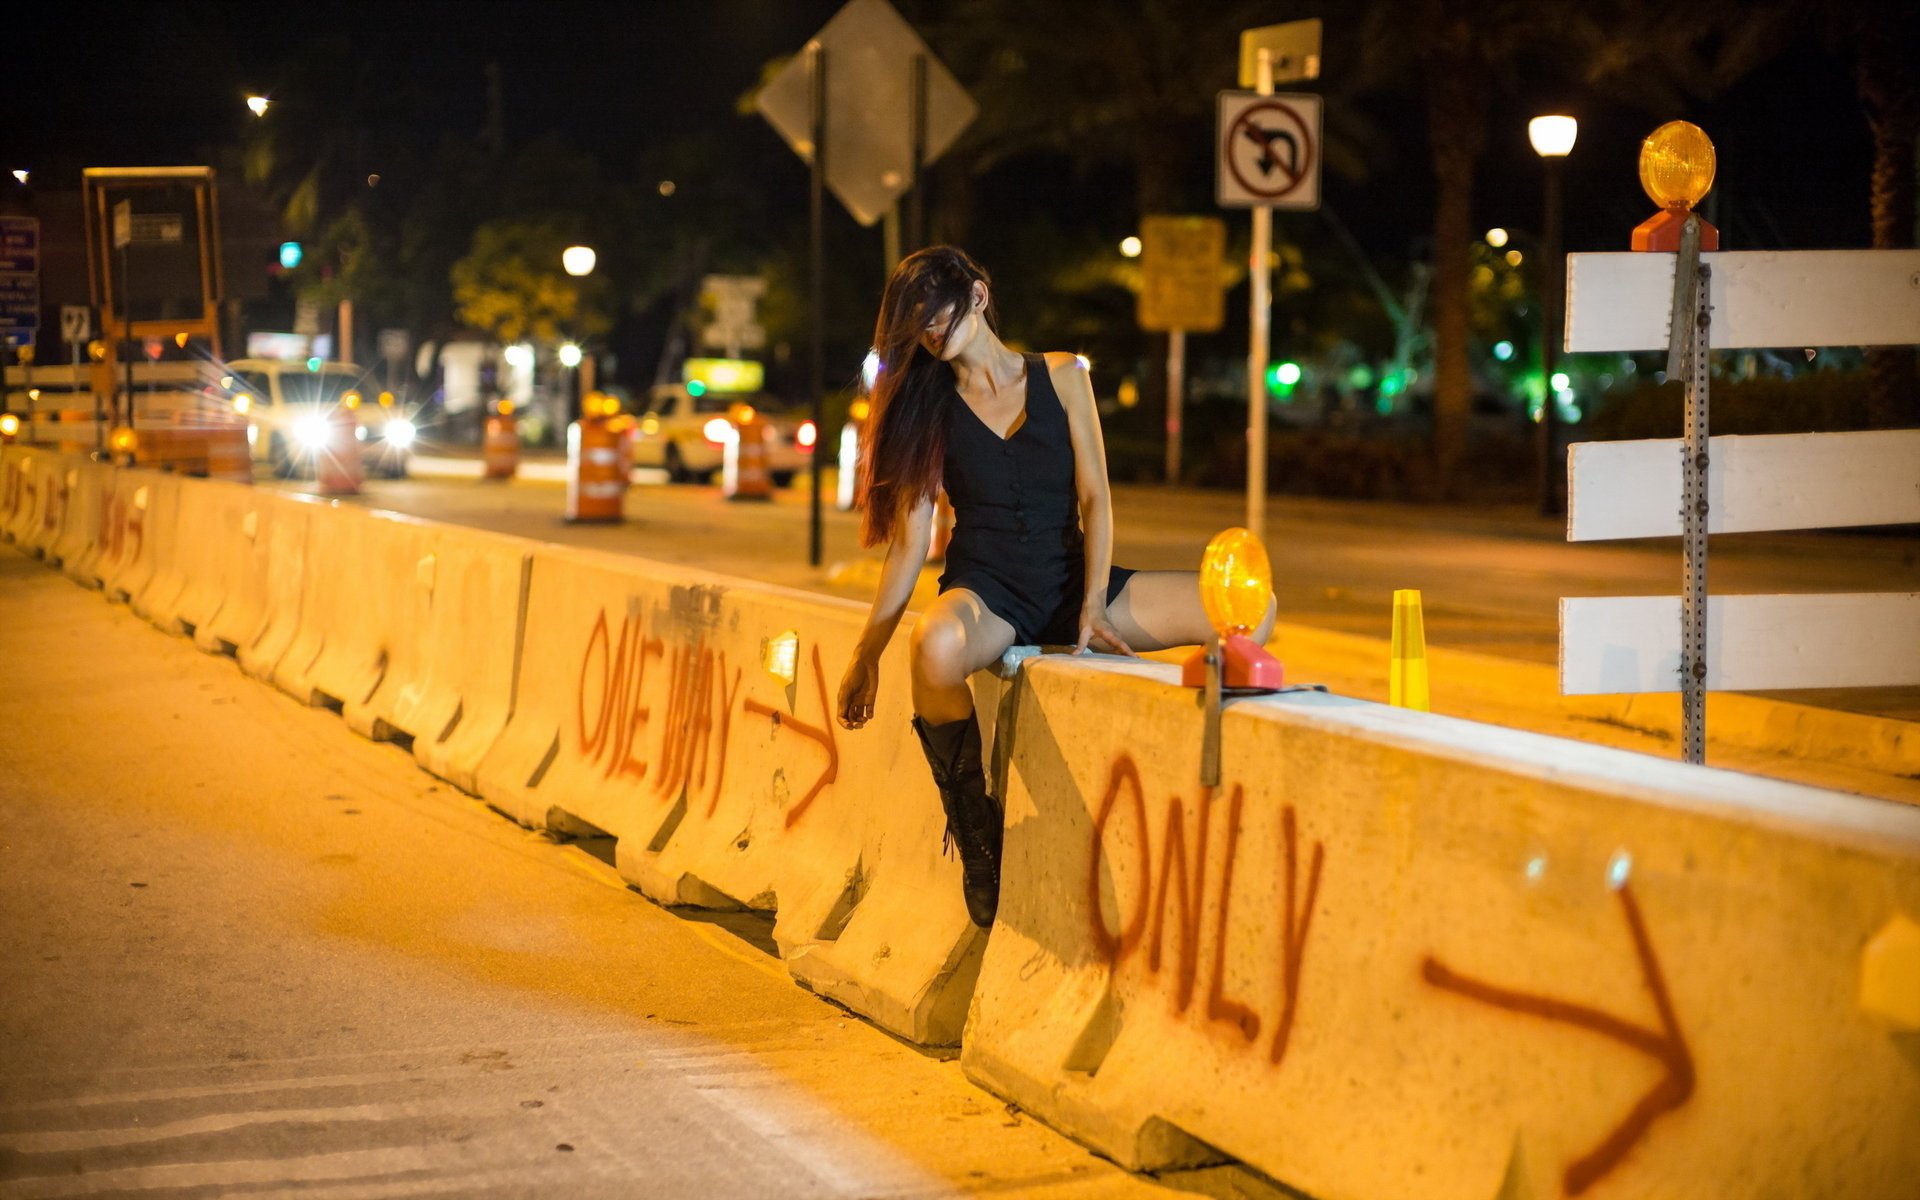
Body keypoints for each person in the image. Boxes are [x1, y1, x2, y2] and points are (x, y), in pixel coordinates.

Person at [835, 246, 1275, 928]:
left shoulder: (1064, 375)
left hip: (1074, 580)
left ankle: (1215, 782)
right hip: (988, 591)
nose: (930, 332)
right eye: (917, 324)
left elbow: (1096, 497)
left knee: (1249, 609)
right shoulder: (930, 407)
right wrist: (868, 653)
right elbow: (910, 544)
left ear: (978, 296)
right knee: (934, 646)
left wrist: (1095, 604)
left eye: (938, 314)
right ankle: (975, 829)